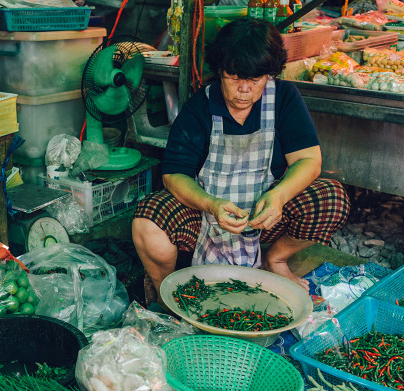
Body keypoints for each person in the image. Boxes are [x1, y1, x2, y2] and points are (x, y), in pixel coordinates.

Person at [132, 17, 350, 302]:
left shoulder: (283, 97)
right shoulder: (200, 107)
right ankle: (166, 293)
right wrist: (212, 204)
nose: (245, 88)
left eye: (255, 79)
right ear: (220, 71)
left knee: (331, 197)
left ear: (269, 74)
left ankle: (276, 260)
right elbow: (174, 175)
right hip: (207, 222)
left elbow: (309, 159)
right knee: (147, 222)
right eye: (235, 78)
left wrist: (278, 197)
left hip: (264, 221)